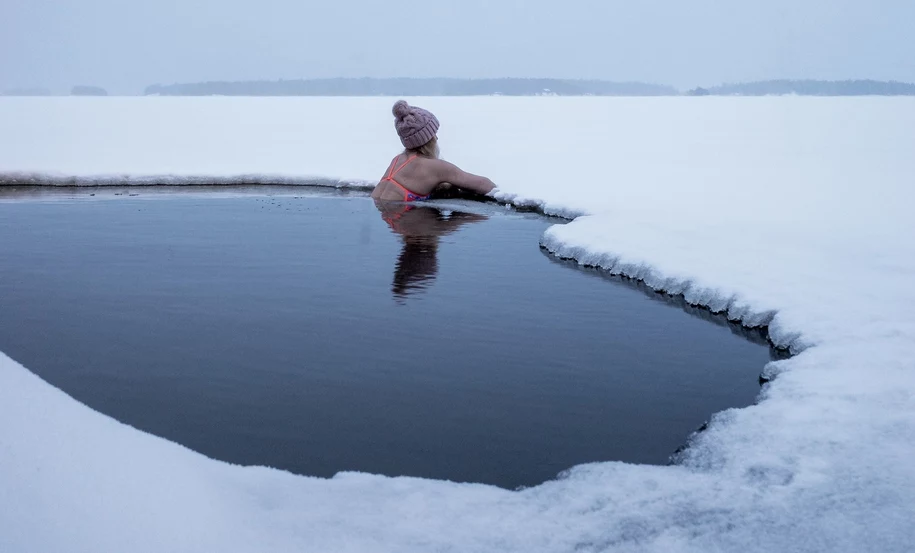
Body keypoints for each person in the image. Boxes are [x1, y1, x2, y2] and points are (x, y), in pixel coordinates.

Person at [371, 100, 496, 202]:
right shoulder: (435, 167)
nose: (436, 138)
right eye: (433, 134)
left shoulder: (397, 160)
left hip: (386, 219)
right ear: (427, 139)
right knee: (464, 218)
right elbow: (486, 185)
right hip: (406, 220)